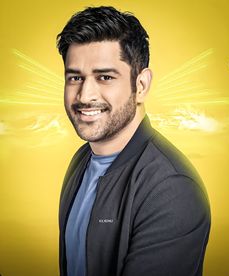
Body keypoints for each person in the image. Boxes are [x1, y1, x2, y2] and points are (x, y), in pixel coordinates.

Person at [56, 6, 211, 276]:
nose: (85, 94)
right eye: (75, 77)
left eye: (105, 77)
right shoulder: (81, 161)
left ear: (140, 86)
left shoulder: (172, 188)